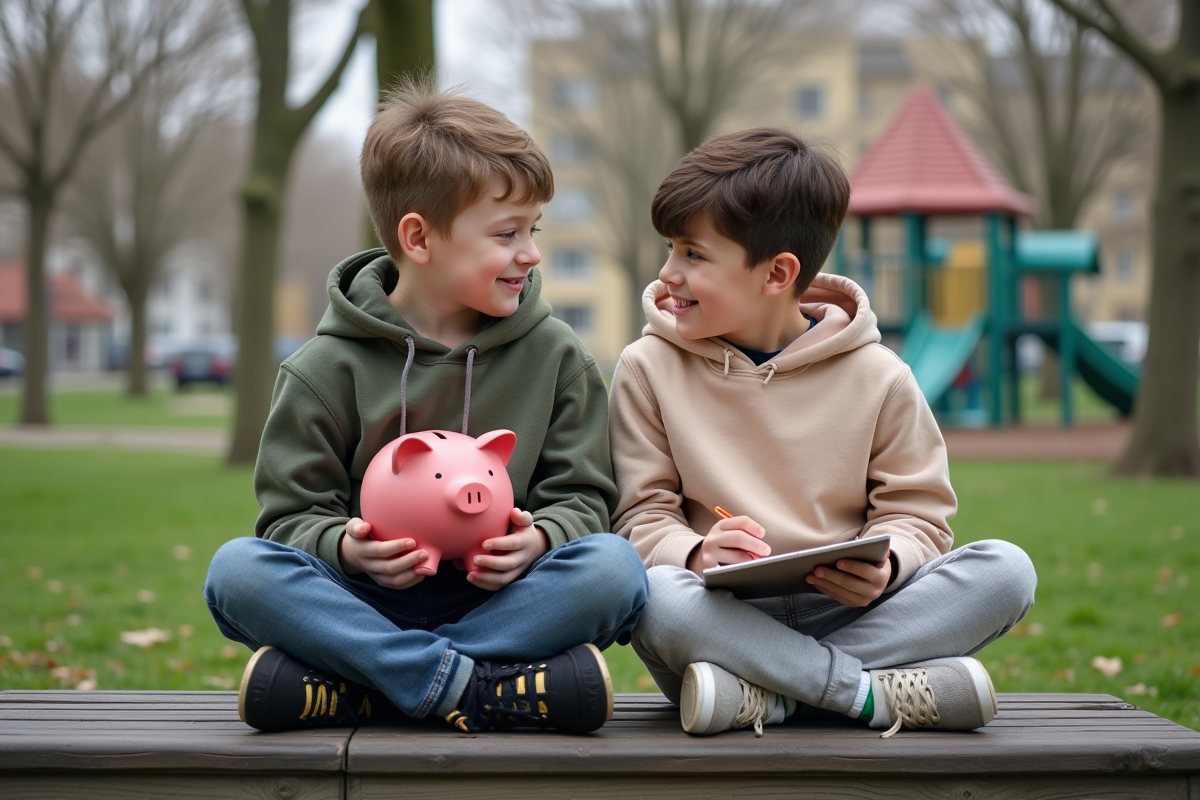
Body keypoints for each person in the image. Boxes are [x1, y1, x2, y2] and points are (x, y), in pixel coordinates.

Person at [204, 82, 647, 736]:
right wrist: (348, 551)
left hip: (507, 601)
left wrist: (541, 539)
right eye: (507, 233)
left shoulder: (557, 357)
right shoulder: (323, 370)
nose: (531, 253)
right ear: (419, 237)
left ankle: (364, 686)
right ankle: (483, 686)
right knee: (236, 572)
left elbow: (584, 497)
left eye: (534, 229)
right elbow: (289, 520)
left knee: (616, 569)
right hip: (362, 602)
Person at [609, 128, 1037, 738]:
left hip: (850, 615)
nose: (668, 272)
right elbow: (639, 518)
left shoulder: (880, 376)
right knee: (653, 595)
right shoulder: (645, 368)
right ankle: (867, 695)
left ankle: (773, 699)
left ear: (777, 273)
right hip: (720, 620)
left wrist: (888, 565)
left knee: (1007, 570)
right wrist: (697, 553)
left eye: (693, 254)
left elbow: (918, 516)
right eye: (672, 249)